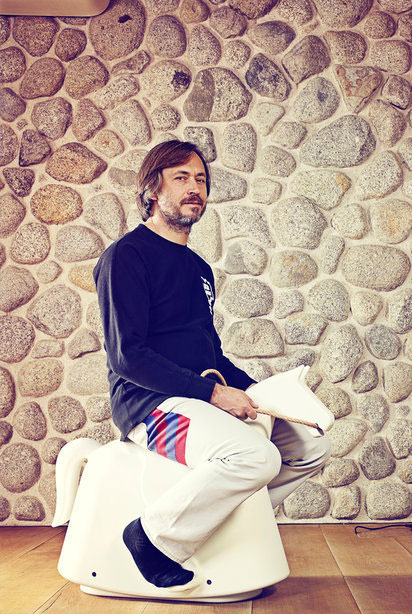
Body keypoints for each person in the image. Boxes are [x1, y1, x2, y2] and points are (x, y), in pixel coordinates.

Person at [93, 140, 330, 590]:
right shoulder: (126, 256)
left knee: (310, 447)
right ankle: (152, 538)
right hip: (150, 406)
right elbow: (127, 355)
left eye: (200, 179)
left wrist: (270, 395)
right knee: (254, 455)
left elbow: (211, 356)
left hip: (199, 398)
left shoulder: (199, 269)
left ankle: (222, 527)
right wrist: (215, 394)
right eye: (181, 177)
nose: (195, 188)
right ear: (152, 189)